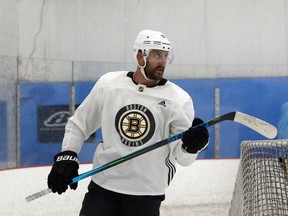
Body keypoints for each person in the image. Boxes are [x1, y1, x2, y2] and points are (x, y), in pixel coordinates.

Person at [47, 29, 209, 216]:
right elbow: (78, 125)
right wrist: (67, 155)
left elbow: (182, 159)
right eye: (157, 55)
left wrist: (191, 147)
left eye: (165, 56)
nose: (162, 62)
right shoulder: (109, 85)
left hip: (147, 195)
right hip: (102, 189)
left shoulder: (179, 100)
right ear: (140, 56)